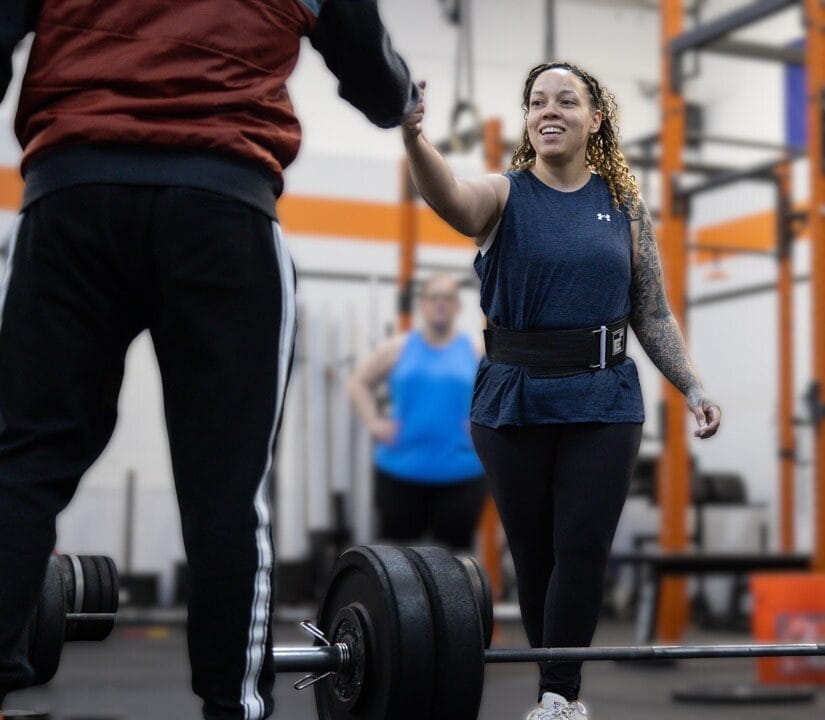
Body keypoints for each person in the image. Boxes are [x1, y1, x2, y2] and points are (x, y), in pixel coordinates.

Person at [0, 1, 417, 718]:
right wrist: (406, 96)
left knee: (22, 465)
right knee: (227, 492)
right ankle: (233, 709)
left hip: (71, 202)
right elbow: (373, 76)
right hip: (220, 207)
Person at [401, 62, 722, 720]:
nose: (550, 110)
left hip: (605, 398)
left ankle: (559, 698)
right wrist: (412, 138)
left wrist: (691, 384)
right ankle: (555, 687)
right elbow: (452, 200)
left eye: (566, 100)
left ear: (593, 120)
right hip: (514, 399)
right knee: (537, 554)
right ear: (527, 120)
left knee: (582, 547)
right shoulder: (504, 194)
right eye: (537, 101)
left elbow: (651, 312)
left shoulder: (624, 207)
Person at [348, 274, 487, 552]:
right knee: (398, 567)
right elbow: (357, 383)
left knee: (454, 566)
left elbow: (500, 392)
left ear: (457, 306)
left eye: (447, 298)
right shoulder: (398, 348)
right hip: (400, 473)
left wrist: (483, 424)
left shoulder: (475, 350)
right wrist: (374, 422)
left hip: (461, 475)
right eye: (433, 297)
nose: (440, 304)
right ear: (422, 305)